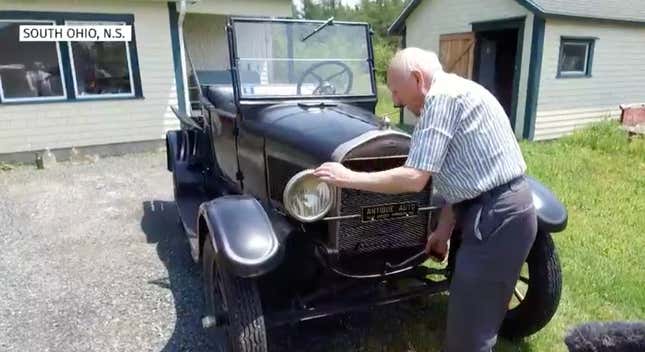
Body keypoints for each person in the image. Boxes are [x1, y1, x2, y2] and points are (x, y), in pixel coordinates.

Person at [313, 47, 537, 352]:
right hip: (495, 209)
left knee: (469, 337)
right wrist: (443, 231)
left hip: (495, 217)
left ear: (418, 79)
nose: (395, 101)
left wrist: (348, 178)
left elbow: (414, 178)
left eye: (396, 91)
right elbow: (459, 177)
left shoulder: (441, 99)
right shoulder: (461, 89)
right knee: (474, 322)